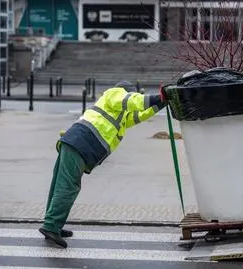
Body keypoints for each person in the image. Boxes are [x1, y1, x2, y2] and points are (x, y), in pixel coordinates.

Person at [39, 81, 167, 248]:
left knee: (60, 184)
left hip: (75, 143)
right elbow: (133, 101)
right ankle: (51, 226)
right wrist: (159, 96)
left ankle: (53, 224)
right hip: (80, 143)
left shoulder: (122, 116)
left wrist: (162, 103)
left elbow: (141, 114)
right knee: (68, 186)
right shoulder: (115, 93)